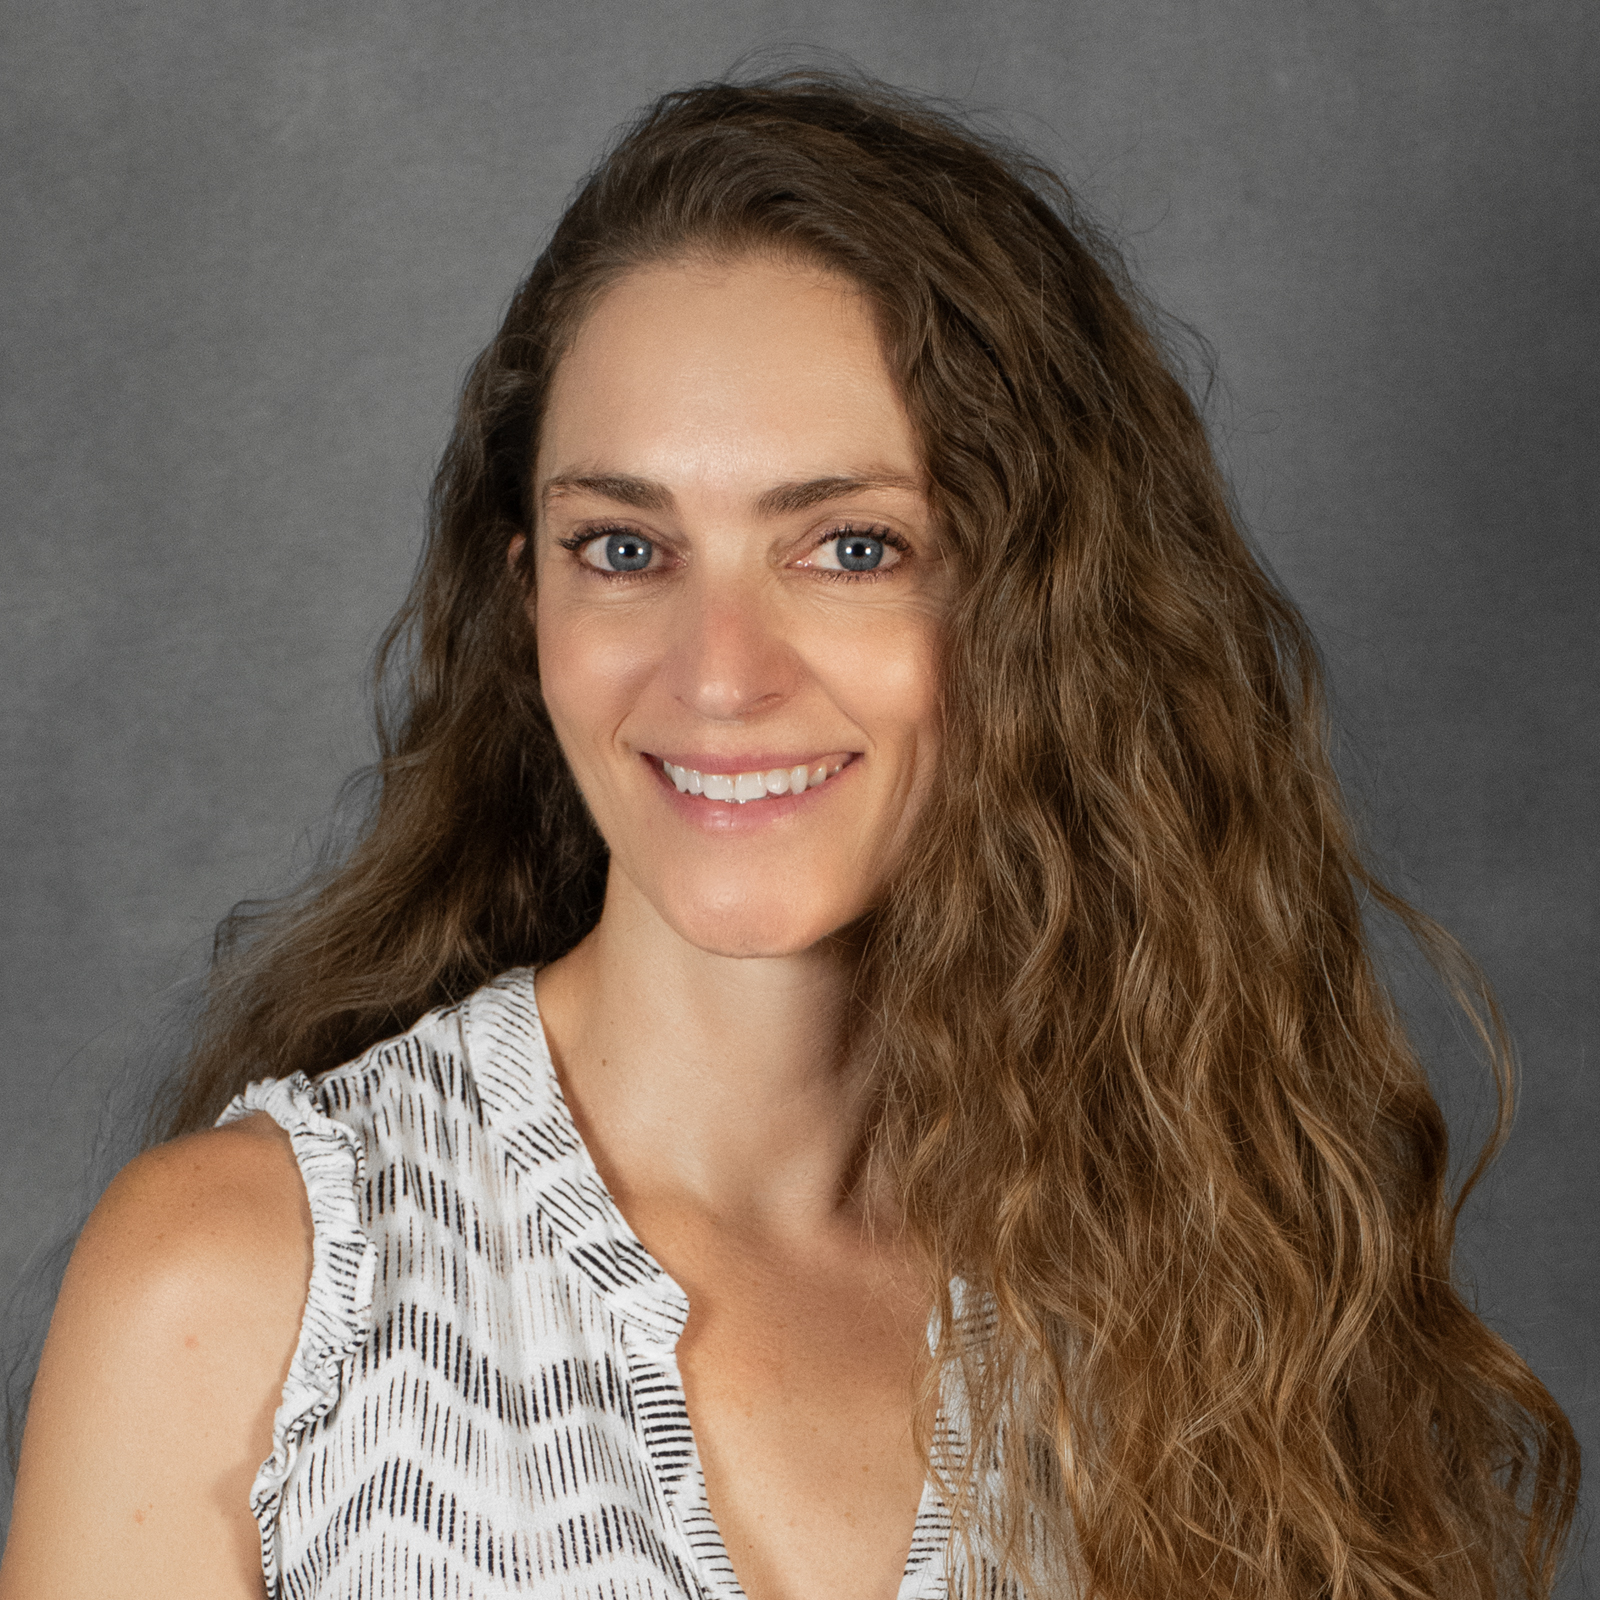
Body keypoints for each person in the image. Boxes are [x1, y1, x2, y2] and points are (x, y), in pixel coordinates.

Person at [0, 71, 1578, 1600]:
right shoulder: (244, 1295)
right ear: (523, 598)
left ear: (1045, 613)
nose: (719, 672)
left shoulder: (1212, 1301)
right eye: (624, 547)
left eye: (849, 545)